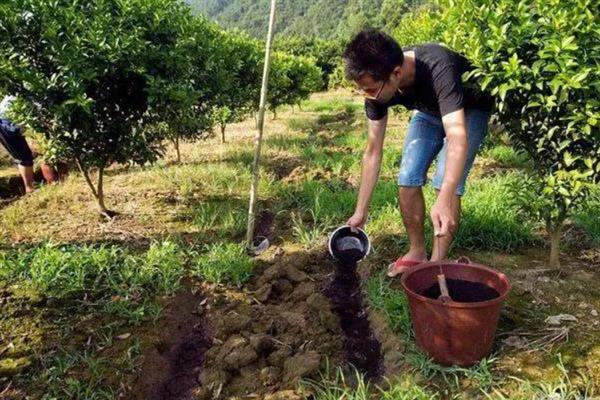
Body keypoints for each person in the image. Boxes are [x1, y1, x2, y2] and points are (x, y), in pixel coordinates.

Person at [343, 30, 494, 277]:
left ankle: (436, 263)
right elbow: (372, 152)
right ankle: (416, 252)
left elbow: (456, 135)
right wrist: (361, 211)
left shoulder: (438, 65)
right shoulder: (377, 88)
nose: (368, 97)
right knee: (407, 177)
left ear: (396, 74)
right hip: (428, 111)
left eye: (371, 90)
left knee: (446, 181)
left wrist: (444, 198)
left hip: (469, 110)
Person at [0, 95, 35, 193]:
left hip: (7, 120)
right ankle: (30, 189)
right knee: (24, 157)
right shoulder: (36, 92)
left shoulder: (22, 85)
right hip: (6, 123)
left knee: (24, 156)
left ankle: (30, 187)